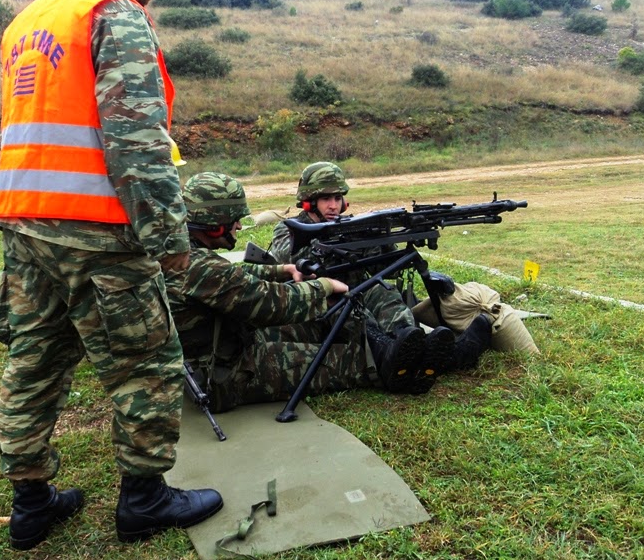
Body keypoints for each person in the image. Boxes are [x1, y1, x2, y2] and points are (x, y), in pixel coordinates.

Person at [0, 0, 221, 551]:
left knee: (34, 362)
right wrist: (171, 242)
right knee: (146, 364)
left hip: (24, 223)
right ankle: (144, 502)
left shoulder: (30, 19)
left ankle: (31, 505)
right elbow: (135, 140)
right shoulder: (113, 14)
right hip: (97, 228)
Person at [168, 172, 445, 414]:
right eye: (234, 221)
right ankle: (413, 362)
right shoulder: (198, 265)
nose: (239, 227)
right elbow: (271, 304)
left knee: (320, 329)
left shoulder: (180, 253)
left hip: (223, 348)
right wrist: (323, 287)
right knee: (346, 361)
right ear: (214, 223)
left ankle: (400, 345)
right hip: (226, 376)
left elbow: (234, 277)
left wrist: (280, 271)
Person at [269, 161, 493, 377]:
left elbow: (387, 269)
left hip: (360, 290)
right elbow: (287, 258)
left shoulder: (349, 225)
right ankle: (399, 356)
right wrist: (333, 242)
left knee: (385, 292)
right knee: (354, 310)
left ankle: (414, 342)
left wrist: (382, 238)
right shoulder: (290, 228)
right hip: (323, 300)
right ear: (308, 201)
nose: (333, 205)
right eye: (326, 199)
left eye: (338, 198)